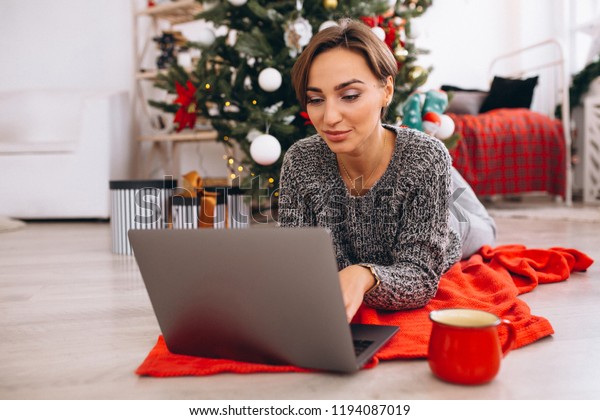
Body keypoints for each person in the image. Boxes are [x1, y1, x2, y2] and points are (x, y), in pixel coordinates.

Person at [278, 19, 496, 322]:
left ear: (386, 91)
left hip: (452, 227)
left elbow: (419, 277)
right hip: (414, 168)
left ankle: (442, 174)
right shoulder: (301, 161)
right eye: (316, 99)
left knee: (485, 229)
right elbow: (296, 262)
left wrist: (364, 275)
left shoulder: (425, 159)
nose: (329, 117)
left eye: (350, 95)